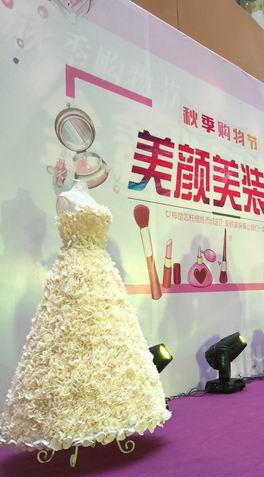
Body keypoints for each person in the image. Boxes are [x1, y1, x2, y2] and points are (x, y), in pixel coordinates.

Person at [0, 180, 170, 453]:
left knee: (109, 346)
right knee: (72, 345)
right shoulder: (66, 198)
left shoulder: (86, 196)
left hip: (102, 272)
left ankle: (114, 419)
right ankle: (70, 427)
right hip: (74, 274)